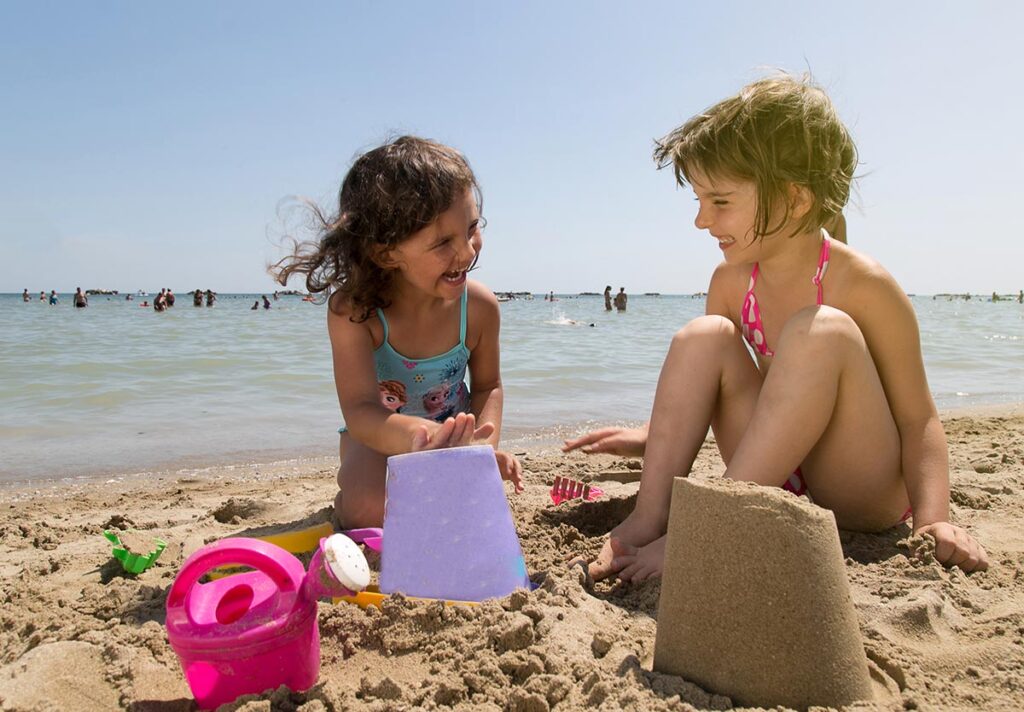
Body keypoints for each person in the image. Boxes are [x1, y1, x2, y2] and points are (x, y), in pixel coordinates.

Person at [564, 73, 987, 579]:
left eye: (719, 201)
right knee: (704, 337)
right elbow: (704, 384)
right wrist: (654, 436)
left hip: (859, 496)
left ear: (794, 199)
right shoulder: (730, 282)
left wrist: (933, 520)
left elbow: (919, 420)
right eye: (699, 201)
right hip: (776, 484)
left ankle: (708, 528)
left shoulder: (863, 285)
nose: (701, 220)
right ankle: (650, 517)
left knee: (821, 331)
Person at [271, 135, 523, 529]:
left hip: (454, 443)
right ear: (386, 253)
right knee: (367, 510)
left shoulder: (478, 308)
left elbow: (489, 385)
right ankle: (350, 498)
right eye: (443, 242)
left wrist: (482, 449)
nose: (468, 252)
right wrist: (420, 438)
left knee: (472, 508)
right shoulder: (356, 313)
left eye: (472, 227)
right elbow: (360, 411)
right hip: (377, 440)